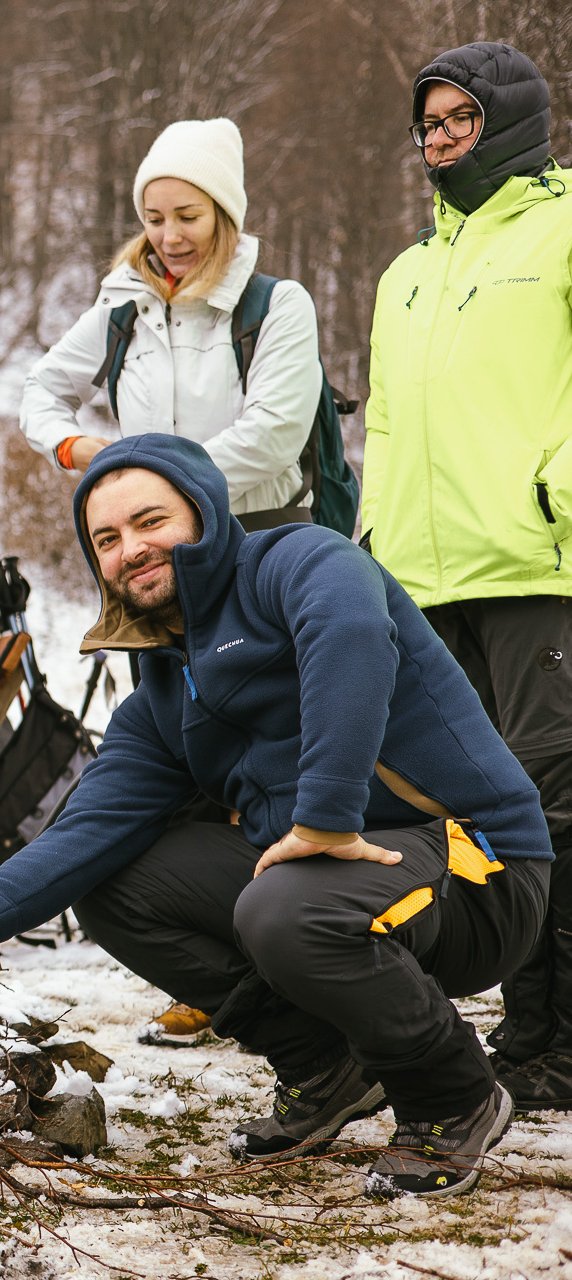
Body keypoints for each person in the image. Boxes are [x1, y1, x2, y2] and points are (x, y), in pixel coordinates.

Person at [0, 434, 550, 1199]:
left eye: (151, 521)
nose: (131, 548)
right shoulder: (162, 691)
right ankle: (326, 1066)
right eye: (107, 539)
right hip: (321, 886)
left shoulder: (300, 560)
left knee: (285, 907)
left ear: (203, 511)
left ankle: (453, 1093)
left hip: (478, 865)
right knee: (113, 881)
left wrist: (325, 814)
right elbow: (85, 828)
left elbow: (352, 636)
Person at [362, 42, 572, 1114]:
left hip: (541, 566)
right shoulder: (410, 272)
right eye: (428, 123)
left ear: (513, 122)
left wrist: (557, 492)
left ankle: (561, 1037)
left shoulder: (562, 230)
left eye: (458, 120)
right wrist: (373, 544)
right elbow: (389, 424)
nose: (438, 139)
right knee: (485, 816)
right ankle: (525, 1029)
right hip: (430, 585)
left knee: (556, 799)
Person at [21, 118, 325, 526]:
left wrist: (154, 484)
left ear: (223, 215)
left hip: (259, 550)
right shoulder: (122, 309)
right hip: (158, 555)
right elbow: (41, 388)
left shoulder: (280, 305)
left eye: (187, 216)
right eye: (155, 218)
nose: (169, 238)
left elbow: (274, 436)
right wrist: (71, 446)